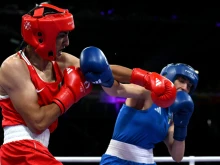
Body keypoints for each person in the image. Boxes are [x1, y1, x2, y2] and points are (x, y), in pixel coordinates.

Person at [0, 3, 177, 165]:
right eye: (62, 35)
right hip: (20, 151)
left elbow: (101, 69)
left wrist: (146, 78)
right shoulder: (14, 67)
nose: (67, 42)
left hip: (38, 150)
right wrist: (70, 93)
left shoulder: (59, 62)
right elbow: (38, 122)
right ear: (42, 35)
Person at [79, 47, 198, 165]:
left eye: (189, 86)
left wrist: (182, 124)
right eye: (182, 81)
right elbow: (116, 90)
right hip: (117, 161)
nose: (185, 88)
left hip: (147, 162)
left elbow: (177, 157)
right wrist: (104, 73)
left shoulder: (172, 115)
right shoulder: (147, 92)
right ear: (170, 77)